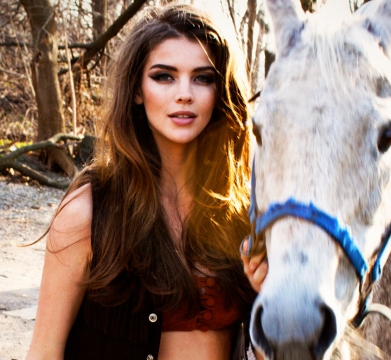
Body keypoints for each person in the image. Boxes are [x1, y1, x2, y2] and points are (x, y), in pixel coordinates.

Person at [26, 4, 268, 360]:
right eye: (164, 76)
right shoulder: (88, 215)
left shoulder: (244, 215)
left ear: (220, 93)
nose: (184, 93)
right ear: (137, 89)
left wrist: (272, 301)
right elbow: (44, 353)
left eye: (203, 77)